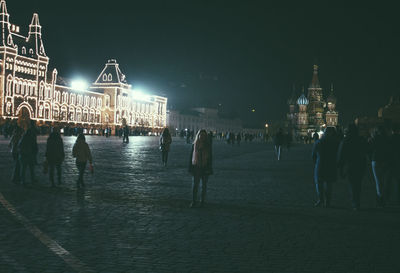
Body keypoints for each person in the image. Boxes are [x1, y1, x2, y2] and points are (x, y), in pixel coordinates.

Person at [337, 124, 368, 210]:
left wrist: (340, 169)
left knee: (353, 184)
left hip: (350, 165)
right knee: (358, 184)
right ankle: (357, 201)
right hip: (361, 164)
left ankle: (355, 203)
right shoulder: (361, 139)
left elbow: (341, 155)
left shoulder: (346, 140)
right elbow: (367, 150)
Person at [312, 127, 340, 208]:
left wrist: (316, 162)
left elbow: (313, 155)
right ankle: (327, 202)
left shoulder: (319, 142)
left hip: (320, 164)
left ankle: (321, 199)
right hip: (331, 164)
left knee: (319, 183)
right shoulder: (336, 142)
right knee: (329, 184)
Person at [188, 129, 213, 208]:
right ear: (198, 136)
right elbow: (190, 158)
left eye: (204, 136)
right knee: (195, 185)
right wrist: (190, 168)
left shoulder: (208, 146)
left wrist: (209, 168)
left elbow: (210, 158)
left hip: (205, 167)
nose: (202, 137)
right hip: (196, 167)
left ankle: (202, 201)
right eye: (201, 135)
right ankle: (194, 201)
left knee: (204, 186)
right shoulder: (194, 145)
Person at [368, 126, 391, 207]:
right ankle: (384, 197)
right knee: (383, 180)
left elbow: (369, 149)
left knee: (378, 181)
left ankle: (380, 198)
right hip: (385, 161)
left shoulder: (374, 139)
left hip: (376, 160)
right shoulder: (387, 139)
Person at [388, 124, 400, 205]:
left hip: (391, 161)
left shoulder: (390, 138)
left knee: (388, 180)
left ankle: (387, 197)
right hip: (398, 160)